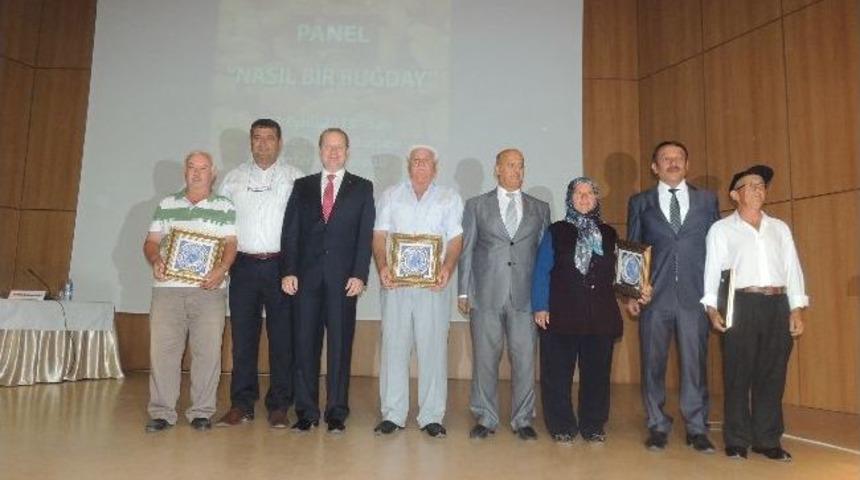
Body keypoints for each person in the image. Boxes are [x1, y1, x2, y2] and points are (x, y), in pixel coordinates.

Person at [701, 165, 807, 462]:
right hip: (740, 304)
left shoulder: (780, 228)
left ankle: (767, 439)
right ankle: (736, 440)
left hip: (777, 303)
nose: (758, 189)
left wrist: (796, 308)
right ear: (735, 195)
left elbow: (792, 269)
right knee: (738, 374)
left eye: (761, 185)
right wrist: (712, 308)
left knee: (772, 375)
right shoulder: (721, 229)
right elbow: (712, 270)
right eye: (750, 185)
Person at [626, 140, 719, 452]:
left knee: (695, 364)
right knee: (653, 363)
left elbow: (717, 251)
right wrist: (633, 294)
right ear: (655, 167)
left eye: (678, 157)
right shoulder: (640, 202)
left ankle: (696, 427)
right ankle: (657, 424)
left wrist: (715, 297)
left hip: (695, 297)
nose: (673, 162)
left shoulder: (707, 201)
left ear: (687, 164)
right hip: (654, 298)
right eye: (666, 158)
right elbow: (634, 249)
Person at [280, 128, 375, 434]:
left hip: (343, 282)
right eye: (328, 147)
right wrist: (288, 270)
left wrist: (360, 274)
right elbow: (290, 231)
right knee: (304, 345)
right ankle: (306, 412)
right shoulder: (303, 186)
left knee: (339, 347)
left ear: (348, 151)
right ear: (320, 151)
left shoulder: (362, 187)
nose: (333, 153)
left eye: (339, 148)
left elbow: (365, 236)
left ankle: (336, 412)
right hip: (305, 281)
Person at [216, 119, 304, 428]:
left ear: (280, 143)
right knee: (243, 339)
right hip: (243, 266)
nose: (263, 144)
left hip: (282, 267)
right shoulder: (233, 179)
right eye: (257, 138)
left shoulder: (296, 178)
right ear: (250, 142)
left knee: (283, 339)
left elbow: (303, 229)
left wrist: (296, 269)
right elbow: (220, 226)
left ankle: (279, 404)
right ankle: (242, 404)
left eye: (269, 138)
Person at [457, 148, 550, 441]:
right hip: (486, 294)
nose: (517, 171)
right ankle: (485, 417)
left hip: (525, 297)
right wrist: (463, 292)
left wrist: (544, 299)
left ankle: (523, 419)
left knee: (524, 359)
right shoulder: (476, 205)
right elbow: (467, 250)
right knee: (485, 359)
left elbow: (545, 257)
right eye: (511, 165)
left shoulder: (540, 208)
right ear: (497, 169)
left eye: (521, 166)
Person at [371, 145, 464, 438]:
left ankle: (431, 416)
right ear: (408, 166)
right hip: (396, 286)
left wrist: (447, 268)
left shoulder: (449, 197)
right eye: (416, 161)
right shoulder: (391, 195)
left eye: (426, 162)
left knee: (433, 349)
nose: (421, 165)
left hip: (434, 286)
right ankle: (393, 414)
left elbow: (455, 240)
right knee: (394, 348)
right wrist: (383, 266)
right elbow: (379, 236)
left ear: (435, 168)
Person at [142, 151, 237, 432]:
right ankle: (161, 412)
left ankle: (201, 412)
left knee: (207, 352)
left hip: (209, 291)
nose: (197, 173)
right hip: (167, 291)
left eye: (203, 168)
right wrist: (156, 259)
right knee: (163, 352)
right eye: (192, 168)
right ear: (185, 172)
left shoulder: (225, 206)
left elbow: (231, 244)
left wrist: (221, 269)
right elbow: (151, 241)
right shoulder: (167, 203)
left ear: (213, 173)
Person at [531, 177, 623, 443]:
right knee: (557, 374)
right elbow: (541, 270)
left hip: (600, 316)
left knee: (597, 375)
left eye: (589, 193)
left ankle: (593, 425)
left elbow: (621, 273)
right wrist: (540, 305)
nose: (584, 198)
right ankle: (561, 425)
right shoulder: (556, 231)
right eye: (578, 193)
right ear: (570, 200)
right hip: (560, 314)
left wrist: (636, 291)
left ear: (596, 199)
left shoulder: (609, 233)